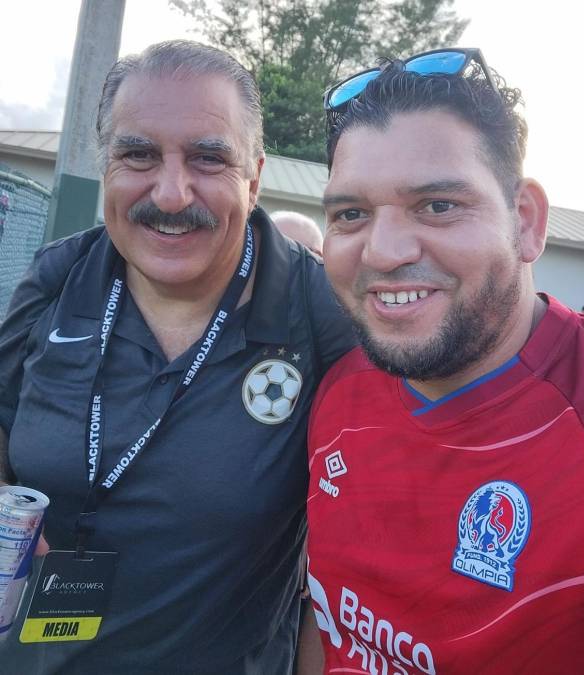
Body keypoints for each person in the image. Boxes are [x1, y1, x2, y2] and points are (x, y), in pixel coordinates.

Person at [0, 40, 354, 674]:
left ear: (255, 178)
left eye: (208, 157)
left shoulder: (320, 312)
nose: (169, 193)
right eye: (137, 154)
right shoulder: (59, 279)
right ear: (104, 165)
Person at [302, 48, 584, 674]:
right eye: (351, 215)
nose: (385, 251)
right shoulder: (339, 390)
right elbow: (327, 620)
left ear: (525, 222)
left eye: (438, 205)